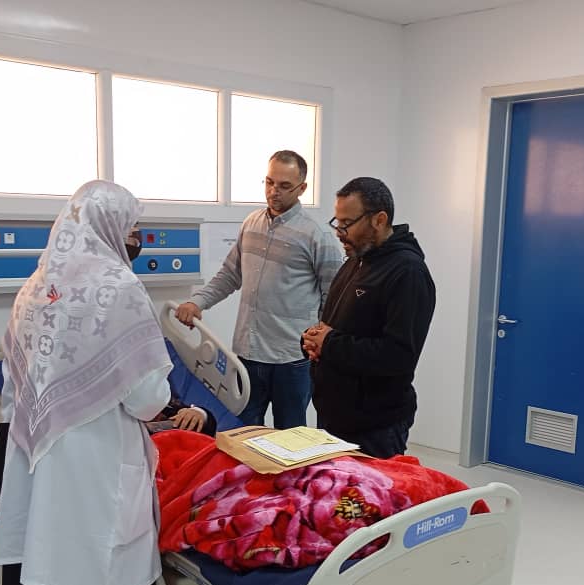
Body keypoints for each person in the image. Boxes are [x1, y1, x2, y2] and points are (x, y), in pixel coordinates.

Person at [0, 181, 171, 585]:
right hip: (95, 468)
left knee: (44, 583)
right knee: (98, 581)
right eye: (133, 228)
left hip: (38, 465)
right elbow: (147, 397)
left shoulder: (36, 285)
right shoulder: (121, 287)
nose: (136, 239)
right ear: (112, 227)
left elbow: (14, 380)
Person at [175, 150, 343, 428]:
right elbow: (230, 274)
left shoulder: (317, 235)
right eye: (269, 182)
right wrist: (197, 302)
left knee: (290, 437)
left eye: (285, 185)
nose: (274, 191)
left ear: (302, 188)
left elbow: (334, 297)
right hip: (247, 355)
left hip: (291, 360)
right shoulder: (251, 224)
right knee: (242, 432)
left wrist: (320, 344)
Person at [302, 177, 436, 459]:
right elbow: (339, 327)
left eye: (347, 223)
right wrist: (314, 341)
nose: (339, 232)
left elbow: (399, 356)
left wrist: (330, 344)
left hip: (374, 428)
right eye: (337, 222)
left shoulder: (408, 272)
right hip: (335, 417)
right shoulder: (355, 260)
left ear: (379, 220)